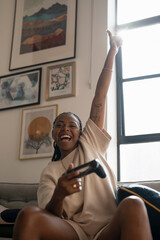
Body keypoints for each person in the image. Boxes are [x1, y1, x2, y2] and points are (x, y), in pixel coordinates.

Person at [13, 30, 153, 240]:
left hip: (108, 229)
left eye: (72, 125)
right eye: (59, 125)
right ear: (53, 134)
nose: (65, 128)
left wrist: (113, 51)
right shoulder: (50, 172)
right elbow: (50, 215)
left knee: (134, 204)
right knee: (28, 215)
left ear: (81, 132)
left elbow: (100, 96)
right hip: (74, 232)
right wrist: (60, 193)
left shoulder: (91, 142)